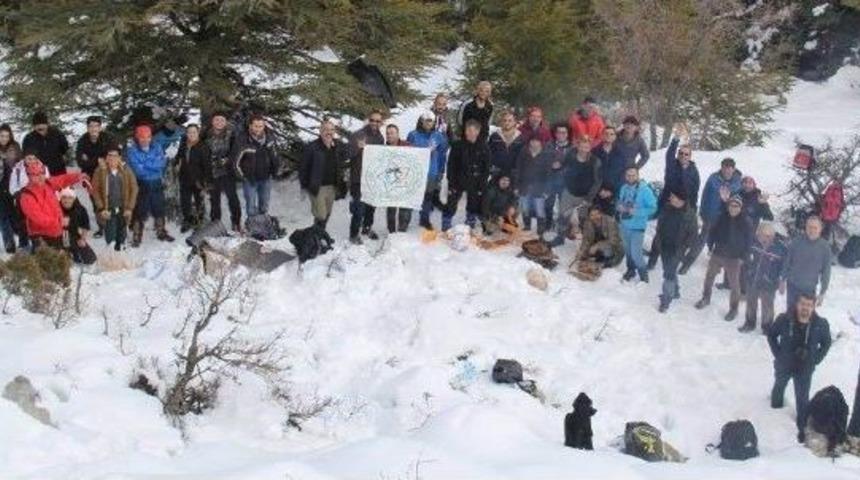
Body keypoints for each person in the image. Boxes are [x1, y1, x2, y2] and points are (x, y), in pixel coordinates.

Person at [768, 292, 832, 442]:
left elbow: (827, 343)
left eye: (809, 305)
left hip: (805, 368)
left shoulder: (820, 324)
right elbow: (771, 335)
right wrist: (778, 354)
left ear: (813, 306)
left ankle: (802, 430)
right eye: (803, 304)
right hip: (784, 365)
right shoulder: (784, 319)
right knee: (779, 387)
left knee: (803, 399)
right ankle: (773, 415)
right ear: (797, 304)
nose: (806, 308)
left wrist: (815, 359)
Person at [648, 125, 700, 270]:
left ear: (690, 156)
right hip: (667, 205)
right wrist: (676, 138)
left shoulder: (694, 171)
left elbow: (694, 192)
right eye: (681, 153)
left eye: (686, 154)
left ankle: (673, 261)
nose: (683, 156)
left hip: (682, 208)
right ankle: (652, 261)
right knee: (660, 234)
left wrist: (690, 208)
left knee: (678, 235)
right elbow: (669, 154)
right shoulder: (672, 165)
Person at [694, 196, 753, 321]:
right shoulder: (721, 217)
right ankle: (706, 298)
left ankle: (733, 308)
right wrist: (710, 247)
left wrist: (744, 256)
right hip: (718, 253)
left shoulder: (746, 222)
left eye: (736, 206)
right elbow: (712, 232)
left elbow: (749, 242)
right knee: (709, 277)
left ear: (740, 208)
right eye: (731, 205)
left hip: (734, 257)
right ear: (728, 206)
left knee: (734, 285)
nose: (733, 208)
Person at [681, 157, 742, 273]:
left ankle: (717, 264)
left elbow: (737, 191)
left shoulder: (737, 181)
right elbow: (705, 194)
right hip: (711, 214)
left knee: (722, 241)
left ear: (733, 169)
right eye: (725, 168)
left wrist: (728, 191)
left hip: (728, 217)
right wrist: (703, 211)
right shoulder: (713, 178)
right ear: (722, 167)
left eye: (730, 169)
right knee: (703, 238)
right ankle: (688, 262)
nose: (727, 171)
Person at [18, 159, 86, 249]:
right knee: (48, 261)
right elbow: (38, 218)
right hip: (42, 235)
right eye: (36, 174)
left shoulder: (48, 183)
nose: (40, 177)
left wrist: (78, 177)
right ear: (29, 176)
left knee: (65, 255)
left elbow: (63, 179)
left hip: (58, 230)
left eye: (42, 173)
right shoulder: (27, 196)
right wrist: (58, 221)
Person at [126, 124, 174, 246]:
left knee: (159, 207)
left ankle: (161, 231)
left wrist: (146, 164)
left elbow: (161, 163)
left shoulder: (156, 146)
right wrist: (153, 165)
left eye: (148, 137)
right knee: (140, 210)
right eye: (142, 137)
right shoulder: (132, 150)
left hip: (157, 183)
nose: (145, 140)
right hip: (142, 184)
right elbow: (138, 170)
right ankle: (137, 235)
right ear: (137, 137)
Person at [655, 188, 698, 312]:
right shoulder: (667, 208)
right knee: (669, 269)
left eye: (674, 197)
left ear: (682, 200)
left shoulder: (690, 214)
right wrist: (658, 240)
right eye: (672, 197)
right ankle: (676, 290)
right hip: (664, 245)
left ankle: (666, 299)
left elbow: (693, 234)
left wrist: (684, 247)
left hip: (677, 249)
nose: (671, 198)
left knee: (668, 272)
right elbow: (659, 225)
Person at [346, 111, 385, 242]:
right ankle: (353, 234)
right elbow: (348, 155)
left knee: (371, 208)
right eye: (372, 120)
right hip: (358, 179)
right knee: (359, 208)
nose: (375, 123)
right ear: (369, 120)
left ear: (381, 123)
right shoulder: (358, 135)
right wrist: (357, 147)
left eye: (378, 121)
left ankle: (367, 228)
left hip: (372, 179)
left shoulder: (380, 138)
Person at [444, 119, 490, 231]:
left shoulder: (484, 147)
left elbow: (486, 167)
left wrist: (482, 183)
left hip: (475, 179)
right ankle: (446, 223)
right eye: (467, 130)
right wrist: (451, 181)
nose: (470, 132)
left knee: (473, 202)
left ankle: (470, 222)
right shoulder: (457, 145)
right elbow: (451, 165)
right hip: (458, 178)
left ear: (478, 132)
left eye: (472, 130)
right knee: (451, 203)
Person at [300, 120, 347, 230]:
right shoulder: (312, 147)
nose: (329, 132)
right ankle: (316, 235)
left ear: (334, 131)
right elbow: (303, 168)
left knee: (327, 213)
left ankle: (319, 234)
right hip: (318, 187)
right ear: (320, 131)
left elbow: (348, 152)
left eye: (331, 130)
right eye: (326, 129)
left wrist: (360, 146)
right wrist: (305, 185)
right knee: (321, 214)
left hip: (332, 186)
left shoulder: (337, 145)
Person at [741, 222, 786, 333]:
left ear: (773, 235)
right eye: (763, 235)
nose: (766, 238)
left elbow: (784, 266)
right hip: (753, 278)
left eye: (769, 236)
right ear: (758, 234)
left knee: (767, 306)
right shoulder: (753, 243)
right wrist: (747, 271)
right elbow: (746, 257)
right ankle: (749, 323)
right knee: (751, 302)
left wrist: (782, 280)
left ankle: (767, 327)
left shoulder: (780, 248)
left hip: (769, 281)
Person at [555, 136, 602, 244]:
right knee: (563, 215)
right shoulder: (570, 156)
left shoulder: (595, 161)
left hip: (584, 195)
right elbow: (561, 167)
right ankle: (560, 237)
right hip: (569, 192)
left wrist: (589, 197)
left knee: (583, 219)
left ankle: (585, 242)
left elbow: (597, 181)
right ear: (578, 146)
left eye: (586, 146)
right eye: (582, 146)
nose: (584, 149)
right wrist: (557, 167)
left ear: (590, 147)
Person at [407, 111, 449, 231]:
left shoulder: (438, 136)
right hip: (416, 171)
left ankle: (424, 219)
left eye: (431, 121)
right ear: (421, 121)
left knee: (428, 197)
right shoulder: (413, 135)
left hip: (432, 171)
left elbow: (442, 155)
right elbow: (407, 152)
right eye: (426, 120)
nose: (428, 123)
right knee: (412, 196)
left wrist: (441, 171)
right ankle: (405, 221)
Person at [233, 114, 279, 219]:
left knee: (264, 206)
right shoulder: (242, 140)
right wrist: (243, 177)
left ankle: (262, 227)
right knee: (251, 208)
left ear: (264, 126)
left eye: (260, 126)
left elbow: (275, 156)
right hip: (250, 179)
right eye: (256, 126)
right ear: (250, 126)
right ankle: (252, 227)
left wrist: (275, 170)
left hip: (265, 178)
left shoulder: (269, 138)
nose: (258, 129)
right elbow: (235, 162)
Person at [780, 216, 831, 309]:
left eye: (815, 228)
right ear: (806, 228)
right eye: (809, 227)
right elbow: (787, 261)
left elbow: (826, 271)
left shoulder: (825, 247)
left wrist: (823, 292)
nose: (812, 230)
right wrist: (782, 279)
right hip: (793, 286)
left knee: (805, 316)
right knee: (791, 314)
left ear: (820, 229)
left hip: (809, 289)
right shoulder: (796, 242)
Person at [92, 145, 138, 251]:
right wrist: (101, 208)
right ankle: (111, 256)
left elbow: (134, 188)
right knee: (110, 233)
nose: (112, 158)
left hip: (123, 207)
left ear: (120, 158)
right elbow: (95, 191)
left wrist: (130, 208)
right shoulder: (100, 171)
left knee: (122, 233)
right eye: (110, 155)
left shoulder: (126, 170)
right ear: (106, 158)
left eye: (115, 156)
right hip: (108, 208)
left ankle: (121, 254)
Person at [75, 115, 113, 238]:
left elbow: (113, 157)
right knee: (96, 201)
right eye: (91, 126)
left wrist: (91, 159)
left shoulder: (108, 139)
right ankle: (101, 227)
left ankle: (112, 225)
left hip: (107, 174)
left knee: (110, 199)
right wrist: (98, 160)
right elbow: (81, 162)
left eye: (96, 126)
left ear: (100, 127)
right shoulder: (82, 141)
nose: (93, 129)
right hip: (90, 177)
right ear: (87, 128)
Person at [204, 112, 242, 232]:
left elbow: (236, 151)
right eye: (217, 120)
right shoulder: (205, 134)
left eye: (222, 120)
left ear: (225, 122)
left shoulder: (232, 134)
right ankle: (215, 224)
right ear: (212, 121)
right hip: (212, 172)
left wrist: (228, 159)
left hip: (227, 171)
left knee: (233, 198)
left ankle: (236, 222)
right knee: (214, 200)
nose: (219, 122)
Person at [617, 167, 657, 282]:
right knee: (628, 251)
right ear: (625, 176)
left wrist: (637, 212)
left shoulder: (645, 190)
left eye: (633, 175)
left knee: (636, 254)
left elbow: (653, 208)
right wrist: (619, 207)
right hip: (624, 225)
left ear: (638, 175)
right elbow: (620, 201)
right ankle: (631, 270)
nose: (630, 178)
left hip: (637, 227)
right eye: (628, 175)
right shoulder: (623, 188)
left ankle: (644, 276)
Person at [9, 152, 50, 251]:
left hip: (38, 199)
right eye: (29, 158)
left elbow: (48, 183)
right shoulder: (18, 169)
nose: (31, 161)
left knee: (37, 222)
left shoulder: (43, 168)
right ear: (24, 159)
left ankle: (38, 244)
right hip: (22, 200)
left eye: (33, 158)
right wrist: (20, 193)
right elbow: (12, 187)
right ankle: (23, 244)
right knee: (23, 223)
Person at [175, 124, 209, 232]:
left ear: (198, 133)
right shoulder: (183, 144)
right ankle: (187, 220)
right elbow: (179, 157)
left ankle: (199, 221)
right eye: (189, 132)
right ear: (186, 133)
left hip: (198, 179)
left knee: (199, 201)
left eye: (194, 132)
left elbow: (207, 166)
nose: (192, 134)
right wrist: (176, 163)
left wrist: (206, 182)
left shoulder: (203, 146)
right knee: (185, 201)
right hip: (184, 178)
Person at [543, 123, 574, 230]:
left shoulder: (572, 148)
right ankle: (548, 223)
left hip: (565, 181)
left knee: (564, 205)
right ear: (555, 134)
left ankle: (563, 225)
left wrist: (562, 166)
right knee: (548, 203)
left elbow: (575, 164)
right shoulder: (548, 145)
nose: (561, 135)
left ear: (567, 134)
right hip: (550, 180)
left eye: (564, 132)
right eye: (558, 132)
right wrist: (550, 164)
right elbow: (543, 160)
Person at [515, 136, 549, 233]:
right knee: (525, 207)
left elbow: (548, 173)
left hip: (539, 187)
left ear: (541, 142)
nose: (534, 143)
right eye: (532, 141)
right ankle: (527, 225)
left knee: (539, 209)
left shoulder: (545, 154)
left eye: (537, 141)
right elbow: (518, 170)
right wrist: (517, 186)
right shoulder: (524, 153)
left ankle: (540, 227)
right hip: (524, 186)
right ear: (529, 142)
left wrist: (547, 190)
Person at [22, 111, 69, 175]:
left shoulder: (57, 134)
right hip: (39, 174)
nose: (40, 127)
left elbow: (65, 149)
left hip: (58, 172)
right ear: (34, 126)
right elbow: (26, 156)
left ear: (47, 124)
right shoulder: (29, 139)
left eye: (42, 124)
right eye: (37, 125)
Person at [59, 188, 97, 265]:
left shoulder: (80, 209)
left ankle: (75, 254)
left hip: (74, 235)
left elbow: (85, 226)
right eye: (64, 197)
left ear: (74, 198)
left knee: (91, 259)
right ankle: (67, 254)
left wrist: (83, 239)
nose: (66, 200)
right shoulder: (56, 208)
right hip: (58, 237)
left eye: (70, 198)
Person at [0, 124, 22, 253]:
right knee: (2, 216)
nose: (4, 138)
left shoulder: (15, 148)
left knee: (14, 214)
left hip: (12, 184)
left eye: (7, 136)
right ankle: (9, 243)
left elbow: (20, 165)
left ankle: (21, 237)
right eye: (2, 136)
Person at [488, 110, 524, 177]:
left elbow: (522, 157)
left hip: (513, 174)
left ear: (514, 122)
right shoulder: (495, 136)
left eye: (510, 120)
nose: (507, 123)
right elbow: (489, 154)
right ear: (501, 122)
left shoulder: (520, 138)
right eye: (504, 120)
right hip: (496, 173)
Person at [592, 126, 626, 192]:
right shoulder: (594, 153)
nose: (608, 136)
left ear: (615, 137)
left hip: (614, 192)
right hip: (596, 192)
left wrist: (612, 191)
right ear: (602, 136)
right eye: (606, 133)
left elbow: (622, 174)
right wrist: (599, 190)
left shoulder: (620, 153)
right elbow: (589, 173)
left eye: (611, 134)